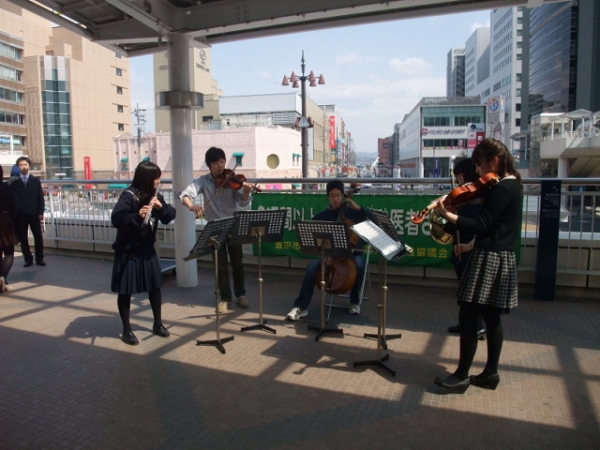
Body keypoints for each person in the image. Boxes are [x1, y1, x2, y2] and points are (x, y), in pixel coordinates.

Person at [433, 138, 523, 393]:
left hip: (489, 260)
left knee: (470, 316)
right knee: (492, 318)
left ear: (494, 161)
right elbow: (499, 230)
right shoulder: (513, 186)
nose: (478, 172)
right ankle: (490, 373)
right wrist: (469, 246)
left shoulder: (502, 189)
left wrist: (446, 213)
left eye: (480, 165)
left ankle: (461, 375)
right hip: (501, 256)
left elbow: (481, 225)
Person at [286, 179, 374, 321]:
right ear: (328, 196)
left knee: (360, 265)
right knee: (311, 267)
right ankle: (301, 306)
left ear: (343, 194)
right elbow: (315, 236)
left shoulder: (352, 212)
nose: (335, 198)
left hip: (352, 253)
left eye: (338, 195)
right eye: (332, 195)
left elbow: (372, 220)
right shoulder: (323, 216)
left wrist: (357, 207)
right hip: (330, 254)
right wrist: (325, 252)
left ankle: (354, 300)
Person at [180, 147, 254, 313]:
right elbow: (185, 194)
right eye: (216, 163)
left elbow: (243, 203)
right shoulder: (203, 181)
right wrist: (192, 206)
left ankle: (241, 294)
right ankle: (225, 299)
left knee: (238, 262)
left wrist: (246, 193)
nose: (220, 166)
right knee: (220, 265)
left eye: (222, 161)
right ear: (209, 165)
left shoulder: (233, 179)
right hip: (214, 227)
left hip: (233, 223)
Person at [111, 161, 176, 345]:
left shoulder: (154, 196)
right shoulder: (128, 195)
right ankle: (126, 330)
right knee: (125, 291)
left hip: (147, 249)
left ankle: (158, 323)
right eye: (156, 178)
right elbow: (116, 218)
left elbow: (171, 215)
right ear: (147, 179)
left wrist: (160, 208)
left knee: (154, 287)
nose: (159, 181)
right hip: (128, 251)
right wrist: (136, 216)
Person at [445, 158, 486, 340]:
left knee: (471, 290)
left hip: (470, 247)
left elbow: (469, 224)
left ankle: (476, 325)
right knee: (464, 287)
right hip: (460, 245)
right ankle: (466, 322)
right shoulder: (467, 197)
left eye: (459, 176)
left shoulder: (478, 199)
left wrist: (451, 214)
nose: (459, 181)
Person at [10, 156, 45, 267]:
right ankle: (27, 258)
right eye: (20, 165)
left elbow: (40, 198)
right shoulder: (14, 182)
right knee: (23, 237)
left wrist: (40, 212)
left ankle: (39, 258)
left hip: (34, 213)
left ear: (29, 166)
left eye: (25, 164)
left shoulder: (35, 181)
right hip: (20, 214)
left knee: (38, 236)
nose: (23, 167)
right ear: (18, 167)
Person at [0, 166, 19, 293]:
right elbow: (14, 206)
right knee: (8, 253)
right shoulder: (5, 187)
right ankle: (2, 278)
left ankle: (2, 281)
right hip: (5, 222)